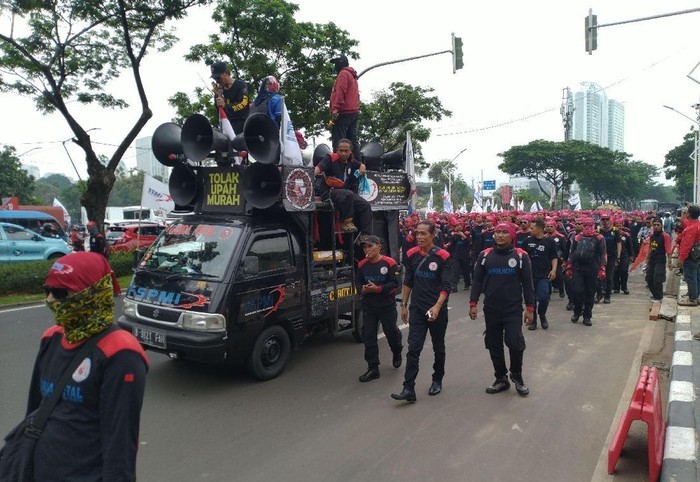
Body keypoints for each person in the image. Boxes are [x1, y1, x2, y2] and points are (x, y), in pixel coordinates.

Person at [24, 251, 148, 481]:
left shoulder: (120, 353)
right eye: (47, 290)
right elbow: (34, 410)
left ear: (92, 294)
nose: (50, 300)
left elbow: (119, 443)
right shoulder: (51, 338)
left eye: (60, 292)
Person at [469, 222, 535, 396]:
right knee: (493, 343)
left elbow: (528, 284)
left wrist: (530, 308)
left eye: (504, 232)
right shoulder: (484, 256)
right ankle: (501, 378)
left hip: (512, 309)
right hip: (491, 309)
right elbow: (476, 282)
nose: (499, 235)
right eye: (497, 232)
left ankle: (517, 376)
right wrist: (473, 303)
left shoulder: (521, 256)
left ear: (512, 235)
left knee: (515, 342)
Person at [391, 221, 452, 402]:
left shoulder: (443, 256)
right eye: (417, 233)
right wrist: (403, 304)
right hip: (417, 309)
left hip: (435, 311)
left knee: (438, 347)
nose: (419, 237)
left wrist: (437, 306)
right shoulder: (411, 254)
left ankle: (437, 379)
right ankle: (408, 388)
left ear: (433, 235)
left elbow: (446, 285)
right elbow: (408, 281)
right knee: (413, 349)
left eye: (424, 234)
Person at [355, 235, 403, 382]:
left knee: (391, 333)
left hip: (386, 306)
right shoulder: (361, 265)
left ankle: (397, 351)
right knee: (368, 336)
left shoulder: (390, 263)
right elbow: (357, 282)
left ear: (379, 246)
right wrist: (361, 289)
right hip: (369, 307)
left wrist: (378, 289)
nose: (366, 249)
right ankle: (373, 368)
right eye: (364, 247)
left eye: (370, 246)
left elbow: (396, 283)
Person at [314, 139, 372, 235]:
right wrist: (310, 175)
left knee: (365, 205)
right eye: (341, 150)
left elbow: (361, 165)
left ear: (350, 151)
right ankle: (345, 222)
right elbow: (318, 168)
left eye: (346, 151)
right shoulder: (330, 158)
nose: (343, 153)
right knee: (348, 194)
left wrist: (362, 167)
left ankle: (366, 236)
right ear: (336, 150)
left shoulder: (351, 161)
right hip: (329, 192)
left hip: (344, 194)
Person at [566, 218, 607, 326]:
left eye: (589, 226)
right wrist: (569, 266)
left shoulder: (599, 238)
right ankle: (577, 311)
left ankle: (587, 316)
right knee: (577, 291)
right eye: (585, 226)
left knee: (590, 293)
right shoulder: (577, 237)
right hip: (578, 268)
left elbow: (603, 253)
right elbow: (572, 253)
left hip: (592, 269)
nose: (587, 228)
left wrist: (602, 268)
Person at [523, 219, 558, 330]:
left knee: (543, 298)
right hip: (529, 276)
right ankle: (533, 321)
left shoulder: (549, 242)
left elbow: (554, 257)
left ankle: (542, 315)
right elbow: (521, 257)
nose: (530, 230)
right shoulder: (527, 241)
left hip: (544, 275)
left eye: (532, 228)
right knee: (531, 299)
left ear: (539, 229)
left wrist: (554, 270)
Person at [329, 54, 360, 159]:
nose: (334, 66)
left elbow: (341, 92)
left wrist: (335, 109)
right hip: (353, 112)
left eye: (336, 63)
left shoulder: (343, 74)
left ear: (340, 63)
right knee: (352, 140)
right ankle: (358, 164)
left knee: (339, 141)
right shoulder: (352, 75)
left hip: (344, 112)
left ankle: (338, 166)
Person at [210, 60, 250, 134]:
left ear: (226, 73)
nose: (217, 81)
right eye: (215, 79)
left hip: (242, 126)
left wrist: (226, 106)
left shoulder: (240, 85)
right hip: (227, 127)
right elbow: (219, 110)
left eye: (218, 78)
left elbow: (243, 104)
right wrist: (218, 95)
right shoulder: (220, 91)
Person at [596, 214, 621, 304]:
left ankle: (607, 296)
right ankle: (599, 295)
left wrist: (618, 256)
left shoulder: (615, 231)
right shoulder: (598, 230)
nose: (605, 221)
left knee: (609, 277)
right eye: (603, 219)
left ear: (610, 220)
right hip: (601, 257)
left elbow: (618, 243)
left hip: (611, 257)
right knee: (599, 276)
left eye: (607, 219)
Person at [645, 217, 672, 302]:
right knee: (649, 278)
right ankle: (655, 295)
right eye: (654, 225)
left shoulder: (665, 236)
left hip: (660, 260)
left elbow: (668, 250)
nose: (656, 226)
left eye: (658, 225)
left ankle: (659, 297)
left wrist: (669, 262)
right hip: (652, 260)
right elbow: (650, 248)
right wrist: (647, 259)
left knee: (658, 279)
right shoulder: (652, 236)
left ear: (661, 226)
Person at [678, 204, 700, 306]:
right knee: (697, 276)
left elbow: (687, 244)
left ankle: (692, 299)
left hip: (691, 256)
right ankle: (696, 296)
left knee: (690, 276)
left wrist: (681, 258)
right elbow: (684, 223)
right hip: (697, 255)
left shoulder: (691, 228)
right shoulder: (697, 224)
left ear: (689, 214)